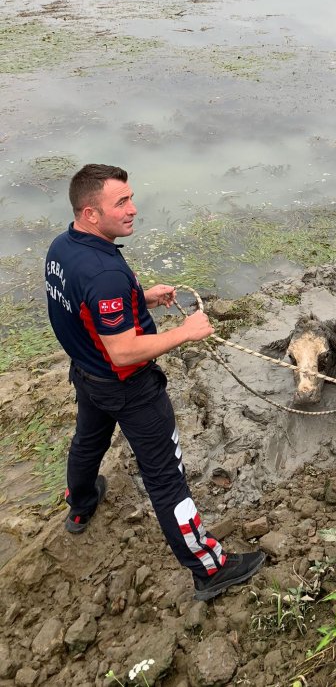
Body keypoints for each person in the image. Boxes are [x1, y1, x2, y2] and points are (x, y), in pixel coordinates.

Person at [45, 163, 265, 601]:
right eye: (121, 202)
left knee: (87, 442)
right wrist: (187, 332)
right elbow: (123, 351)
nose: (133, 209)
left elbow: (80, 303)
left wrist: (138, 297)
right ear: (90, 213)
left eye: (130, 198)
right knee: (166, 478)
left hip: (88, 376)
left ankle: (81, 504)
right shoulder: (104, 272)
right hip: (128, 387)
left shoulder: (62, 247)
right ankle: (210, 568)